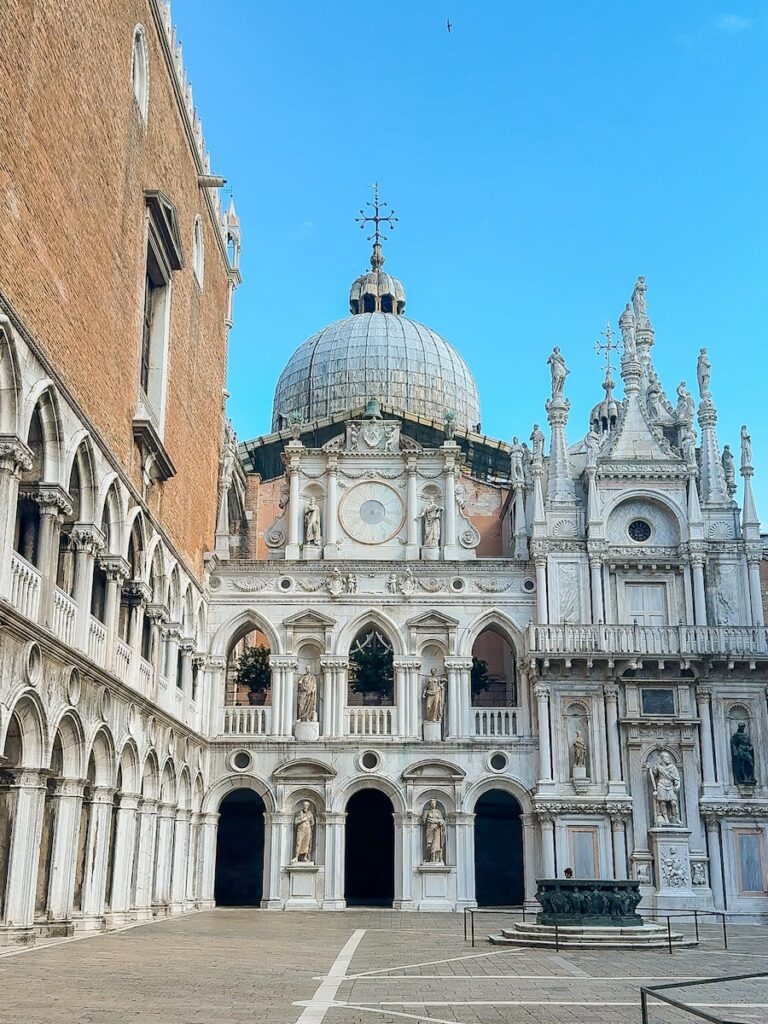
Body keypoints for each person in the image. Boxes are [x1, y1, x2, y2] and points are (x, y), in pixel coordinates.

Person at [421, 800, 446, 864]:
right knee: (429, 844)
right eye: (431, 803)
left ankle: (436, 858)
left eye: (434, 803)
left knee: (437, 844)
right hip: (430, 829)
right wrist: (425, 819)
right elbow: (423, 821)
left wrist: (440, 822)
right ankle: (428, 858)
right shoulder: (427, 811)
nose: (433, 805)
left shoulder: (438, 811)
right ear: (430, 804)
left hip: (437, 829)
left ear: (435, 804)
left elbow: (442, 820)